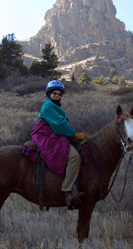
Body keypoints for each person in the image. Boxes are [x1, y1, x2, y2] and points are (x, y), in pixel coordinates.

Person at [31, 80, 84, 210]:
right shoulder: (48, 106)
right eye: (54, 93)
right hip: (48, 135)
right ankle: (67, 190)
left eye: (59, 94)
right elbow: (59, 125)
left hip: (52, 132)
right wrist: (73, 134)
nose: (57, 96)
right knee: (74, 157)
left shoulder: (53, 106)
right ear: (49, 94)